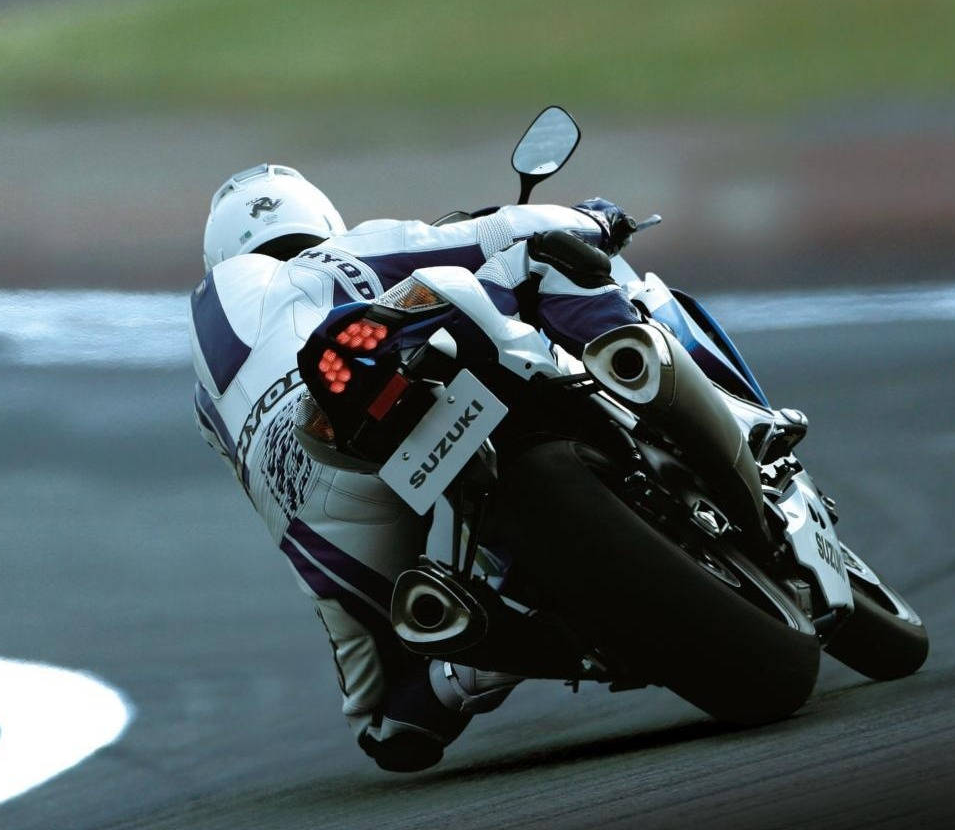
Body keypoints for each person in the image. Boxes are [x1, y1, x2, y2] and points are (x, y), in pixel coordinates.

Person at [186, 163, 673, 772]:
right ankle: (633, 363)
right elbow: (489, 234)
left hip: (317, 524)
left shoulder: (205, 394)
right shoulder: (327, 259)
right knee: (540, 256)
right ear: (319, 221)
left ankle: (471, 662)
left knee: (384, 725)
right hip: (359, 399)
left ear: (217, 253)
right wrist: (595, 218)